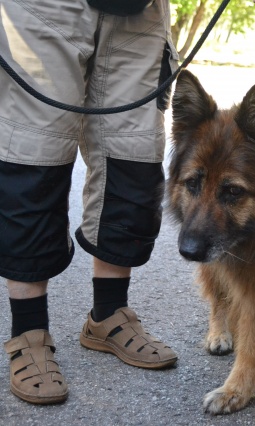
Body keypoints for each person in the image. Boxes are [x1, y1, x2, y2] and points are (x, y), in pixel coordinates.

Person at [0, 0, 178, 404]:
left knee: (134, 158)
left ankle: (108, 315)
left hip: (140, 9)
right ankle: (29, 331)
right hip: (42, 8)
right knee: (33, 160)